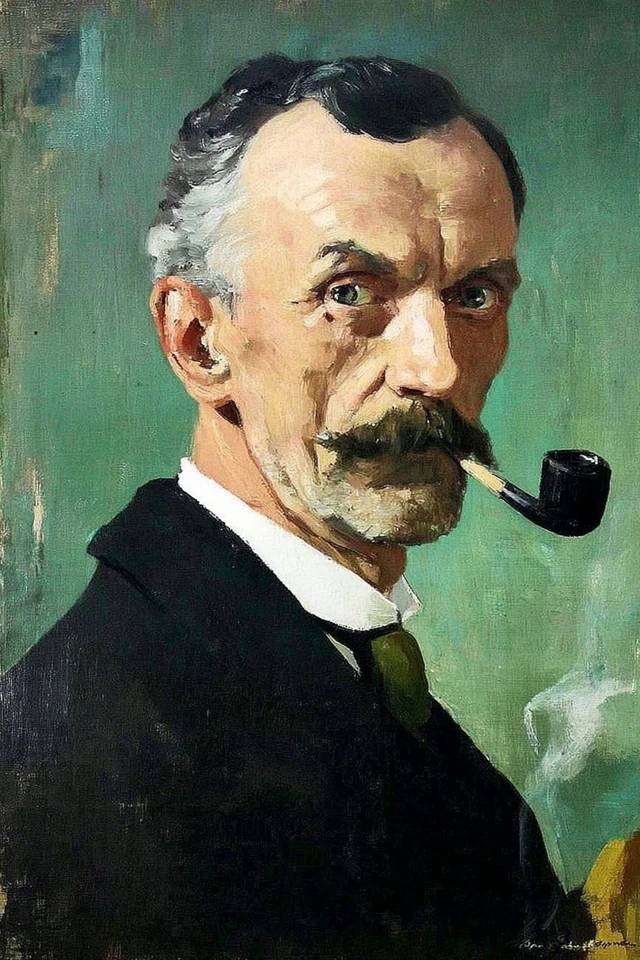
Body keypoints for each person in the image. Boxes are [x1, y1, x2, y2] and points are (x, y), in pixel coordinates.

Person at [0, 55, 592, 959]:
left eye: (474, 296)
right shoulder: (88, 751)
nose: (436, 369)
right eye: (348, 293)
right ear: (199, 342)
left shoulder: (347, 672)